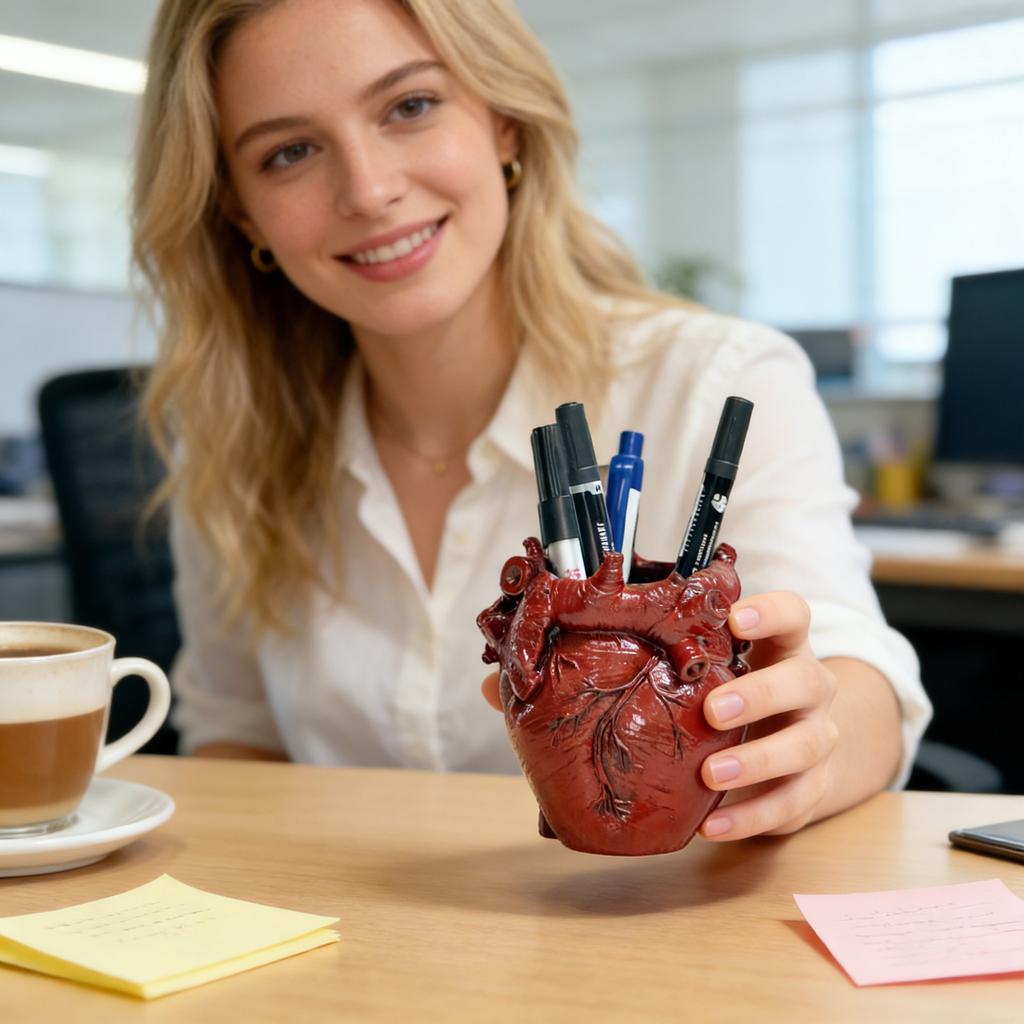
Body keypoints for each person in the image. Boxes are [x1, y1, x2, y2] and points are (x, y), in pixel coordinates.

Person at [133, 0, 930, 843]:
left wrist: (809, 741)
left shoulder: (720, 381)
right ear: (241, 213)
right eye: (289, 152)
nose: (369, 190)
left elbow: (857, 676)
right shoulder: (235, 444)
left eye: (410, 106)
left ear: (504, 122)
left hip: (648, 947)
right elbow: (237, 739)